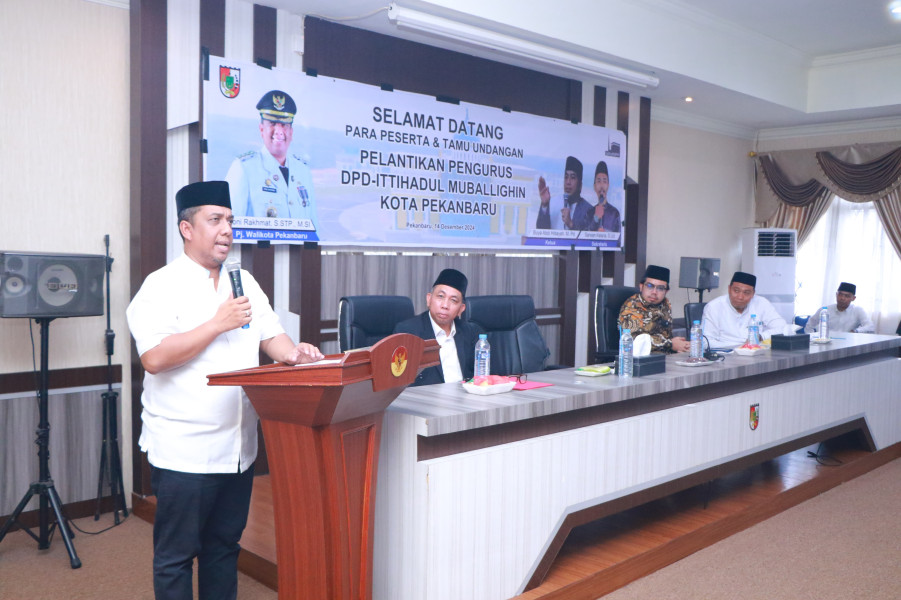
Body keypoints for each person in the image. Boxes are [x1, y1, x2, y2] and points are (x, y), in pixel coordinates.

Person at [126, 181, 324, 600]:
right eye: (215, 220)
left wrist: (294, 354)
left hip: (238, 449)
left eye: (230, 220)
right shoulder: (160, 286)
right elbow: (154, 359)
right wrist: (217, 323)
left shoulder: (243, 279)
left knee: (223, 549)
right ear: (186, 228)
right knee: (176, 557)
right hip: (185, 452)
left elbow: (271, 336)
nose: (227, 230)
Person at [225, 90, 318, 226]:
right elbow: (230, 226)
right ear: (261, 129)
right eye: (272, 124)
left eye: (284, 124)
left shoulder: (303, 171)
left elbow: (313, 227)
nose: (279, 131)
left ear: (291, 132)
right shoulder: (244, 167)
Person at [392, 268, 483, 386]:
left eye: (453, 300)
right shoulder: (407, 331)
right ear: (429, 299)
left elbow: (483, 377)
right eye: (440, 296)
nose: (445, 305)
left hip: (464, 395)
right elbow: (397, 381)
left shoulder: (471, 333)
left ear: (461, 309)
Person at [701, 271, 787, 348]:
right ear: (729, 289)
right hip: (726, 355)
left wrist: (760, 337)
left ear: (753, 294)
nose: (740, 297)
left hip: (756, 353)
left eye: (746, 293)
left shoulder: (761, 303)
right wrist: (740, 346)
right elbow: (705, 342)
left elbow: (783, 328)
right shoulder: (713, 307)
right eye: (736, 291)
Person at [618, 265, 690, 353]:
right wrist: (670, 344)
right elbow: (634, 341)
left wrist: (683, 345)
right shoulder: (632, 306)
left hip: (665, 355)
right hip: (641, 357)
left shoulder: (665, 303)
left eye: (660, 288)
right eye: (650, 286)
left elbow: (666, 335)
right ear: (641, 286)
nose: (654, 292)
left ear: (666, 291)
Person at [535, 156, 594, 231]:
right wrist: (544, 205)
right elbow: (541, 232)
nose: (568, 182)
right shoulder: (553, 203)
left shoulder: (589, 210)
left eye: (572, 177)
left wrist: (571, 224)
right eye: (566, 177)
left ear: (580, 185)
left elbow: (589, 235)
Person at [804, 282, 875, 334]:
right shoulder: (824, 310)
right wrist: (812, 338)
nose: (842, 298)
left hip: (848, 344)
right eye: (840, 294)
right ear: (836, 294)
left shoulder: (857, 310)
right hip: (826, 343)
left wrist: (855, 331)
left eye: (847, 296)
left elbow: (870, 326)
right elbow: (809, 326)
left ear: (853, 298)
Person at [588, 161, 621, 233]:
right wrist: (596, 218)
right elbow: (586, 234)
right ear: (594, 186)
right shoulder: (589, 213)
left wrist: (605, 234)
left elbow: (618, 238)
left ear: (608, 185)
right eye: (599, 181)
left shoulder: (615, 213)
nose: (602, 185)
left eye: (604, 181)